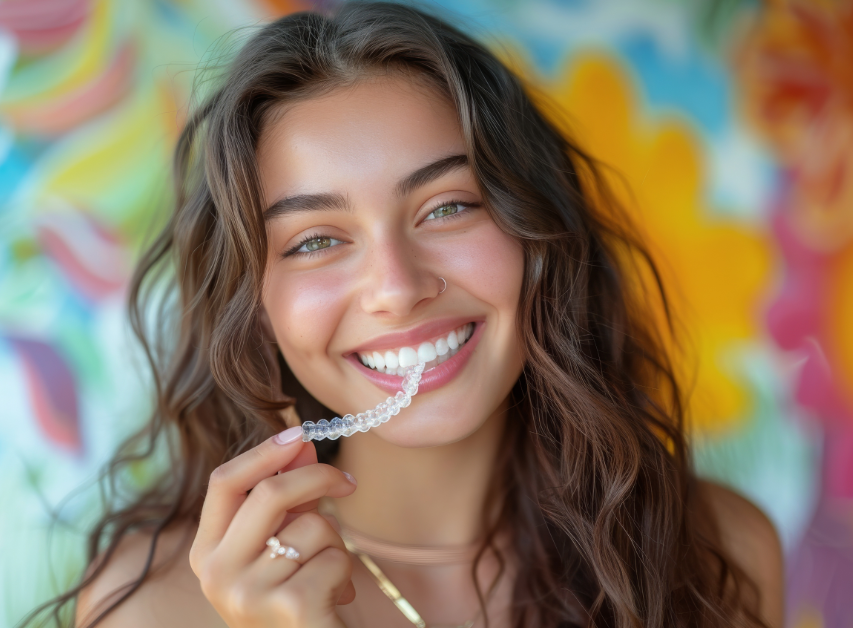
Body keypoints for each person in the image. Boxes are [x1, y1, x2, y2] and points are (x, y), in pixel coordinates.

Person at [24, 2, 784, 627]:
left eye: (447, 207)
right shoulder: (154, 609)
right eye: (316, 240)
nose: (396, 286)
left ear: (541, 236)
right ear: (252, 307)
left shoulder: (718, 553)